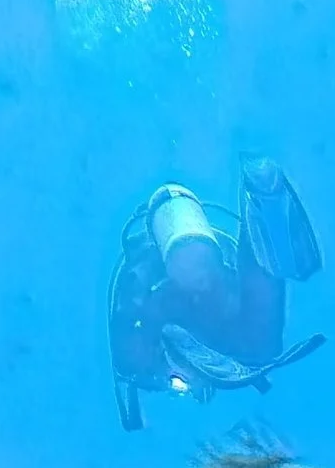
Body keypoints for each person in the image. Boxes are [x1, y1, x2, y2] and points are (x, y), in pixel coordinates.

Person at [108, 159, 323, 430]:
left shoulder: (160, 299)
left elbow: (132, 359)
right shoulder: (168, 296)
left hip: (235, 342)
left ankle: (263, 201)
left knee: (260, 332)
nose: (195, 273)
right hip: (241, 333)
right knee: (260, 305)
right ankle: (262, 197)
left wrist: (167, 376)